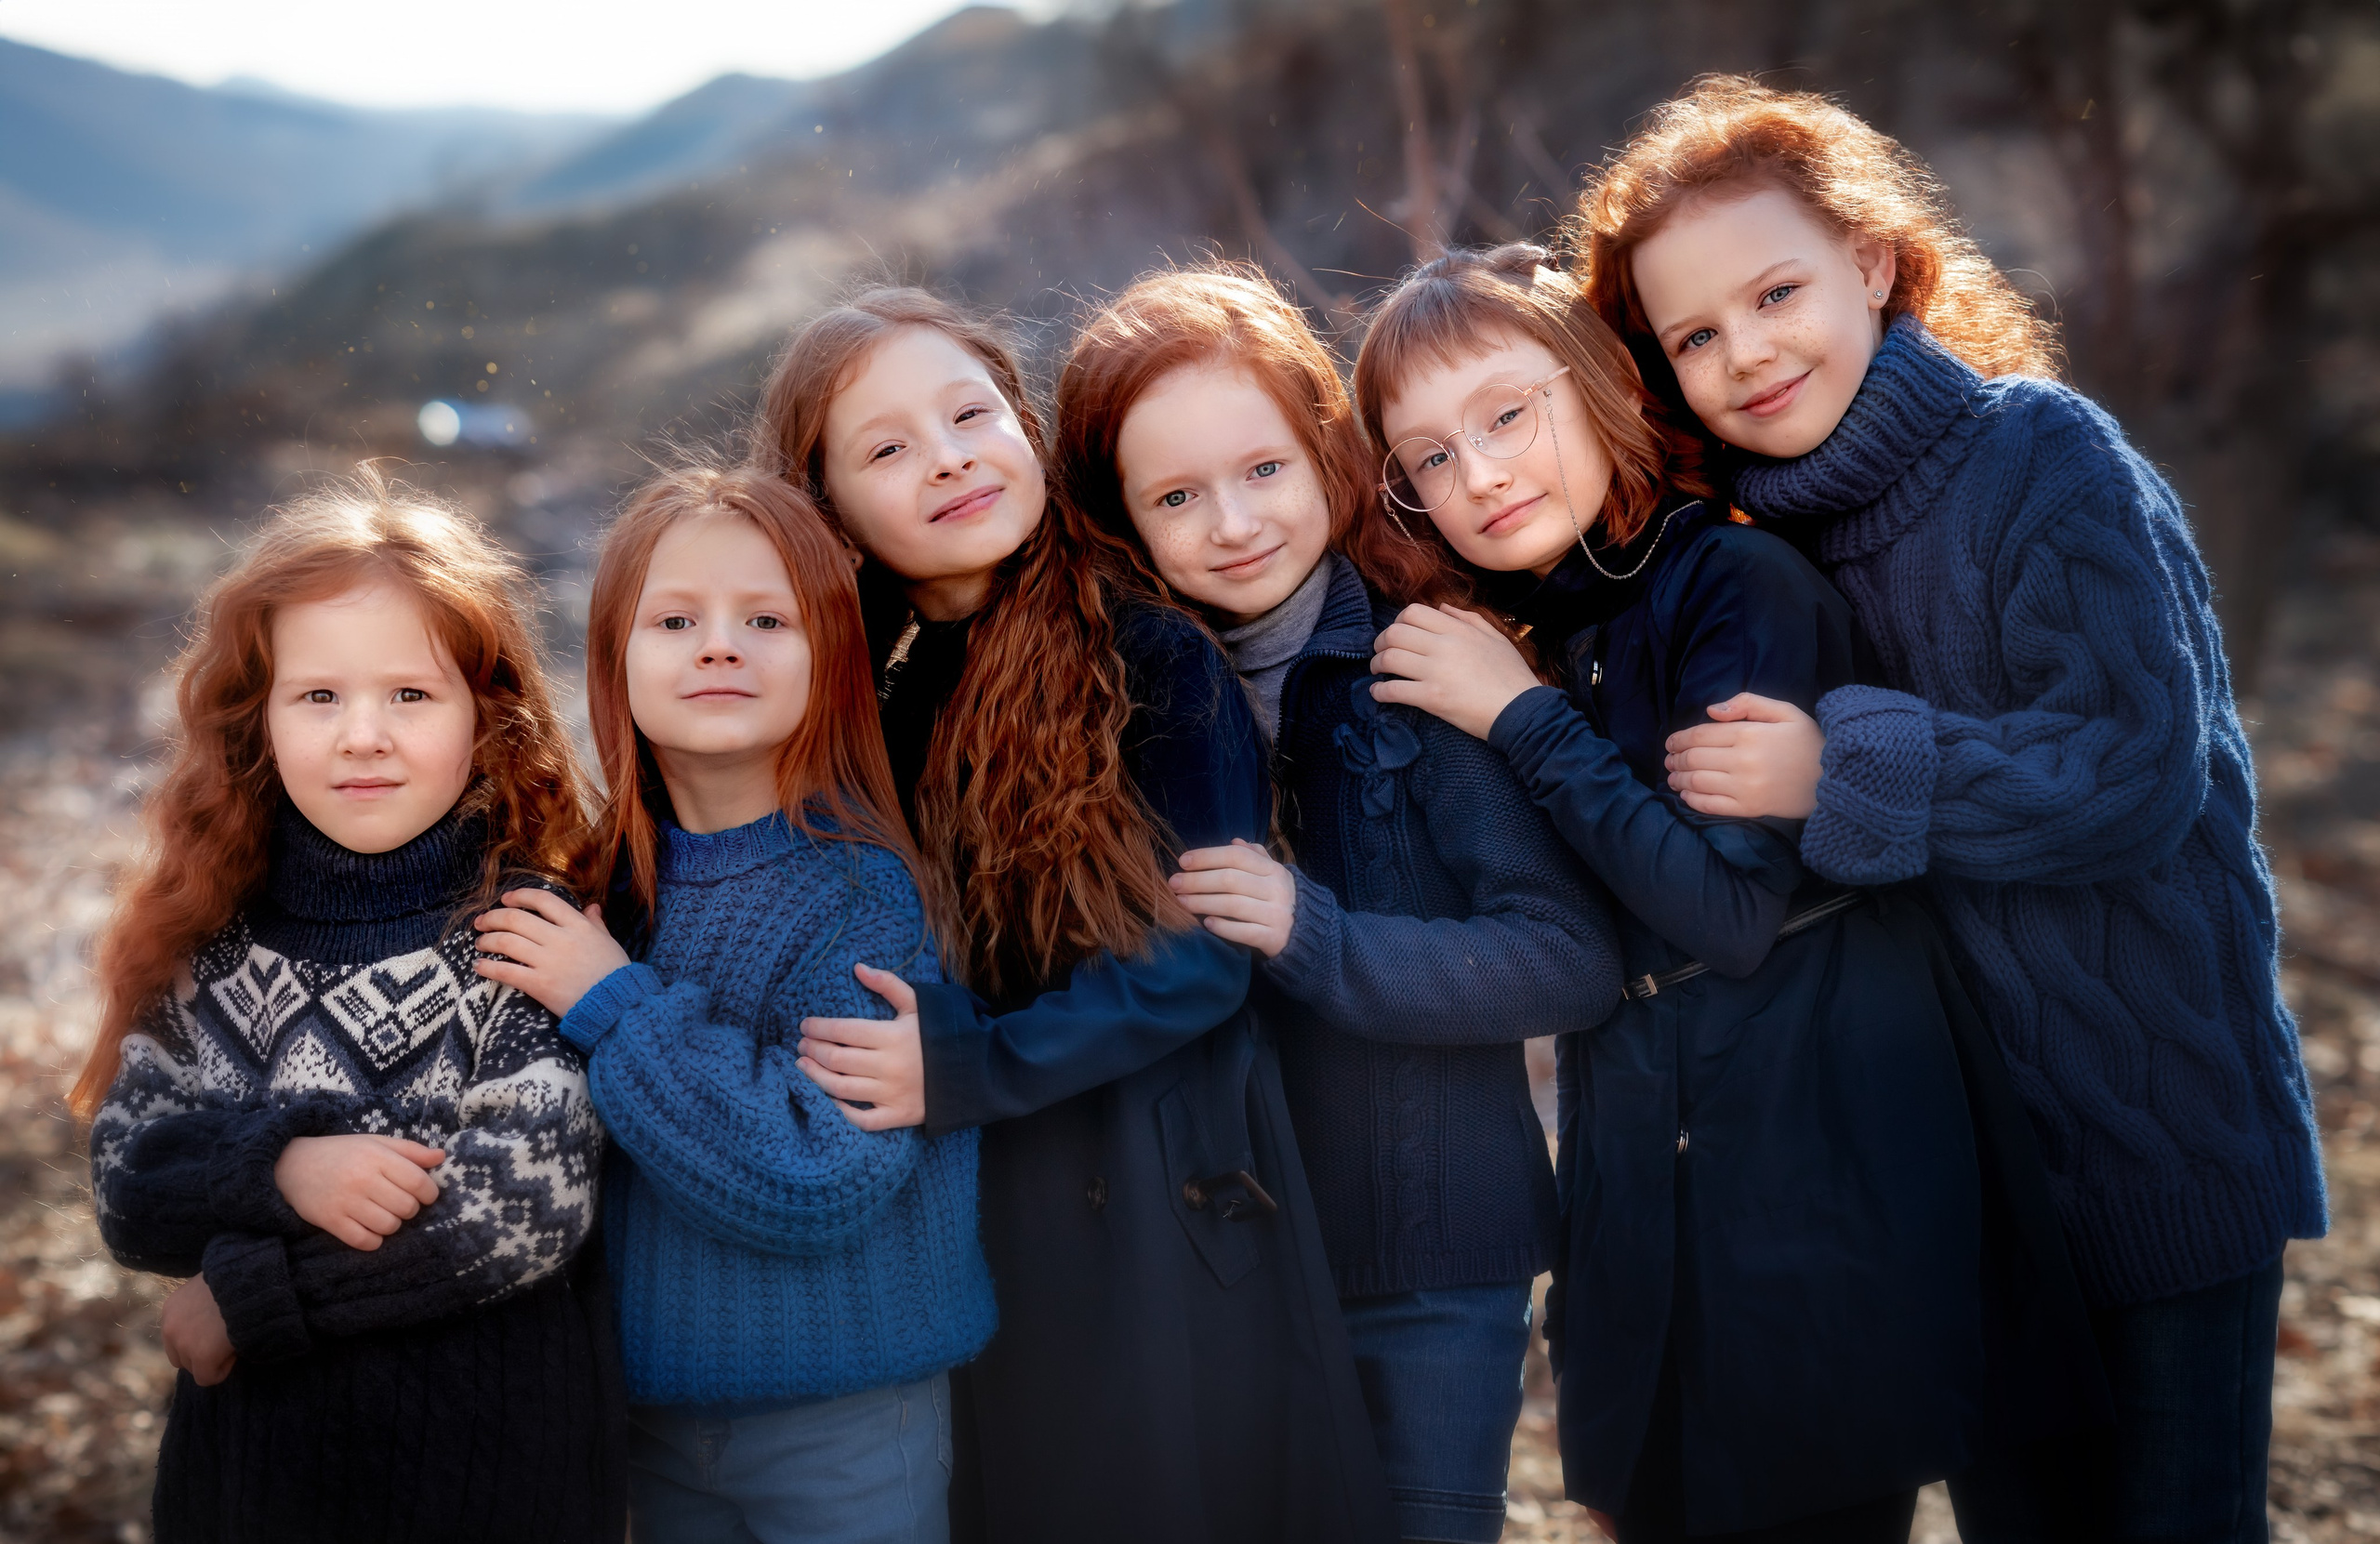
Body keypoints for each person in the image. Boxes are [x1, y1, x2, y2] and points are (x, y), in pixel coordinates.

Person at [1582, 76, 2326, 1544]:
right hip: (1958, 1187)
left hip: (2150, 1132)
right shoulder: (1748, 552)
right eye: (1696, 336)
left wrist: (1837, 770)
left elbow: (2130, 765)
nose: (1748, 352)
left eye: (1777, 290)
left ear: (1872, 259)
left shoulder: (2040, 457)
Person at [1352, 244, 2058, 1543]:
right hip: (1646, 1185)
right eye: (1431, 457)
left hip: (1810, 1182)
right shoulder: (1557, 623)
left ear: (1602, 384)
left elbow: (1731, 913)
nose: (1482, 473)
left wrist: (1522, 722)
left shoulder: (1735, 582)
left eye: (1509, 412)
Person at [752, 287, 1393, 1544]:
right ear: (828, 509)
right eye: (886, 448)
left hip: (1160, 1181)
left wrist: (970, 1064)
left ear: (1025, 426)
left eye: (969, 412)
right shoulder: (864, 693)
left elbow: (1201, 963)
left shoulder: (1146, 652)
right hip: (983, 1192)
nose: (946, 458)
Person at [1051, 262, 1622, 1544]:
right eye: (1178, 496)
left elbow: (1566, 957)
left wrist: (1314, 933)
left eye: (1263, 470)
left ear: (1328, 454)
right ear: (1119, 520)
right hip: (1224, 1263)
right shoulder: (1118, 710)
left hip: (1428, 1265)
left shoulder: (1424, 669)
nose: (1235, 521)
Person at [78, 471, 619, 1544]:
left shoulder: (524, 932)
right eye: (318, 696)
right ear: (259, 719)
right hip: (249, 1482)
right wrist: (278, 1163)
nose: (362, 735)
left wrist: (252, 1294)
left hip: (488, 1481)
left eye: (410, 696)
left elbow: (518, 1207)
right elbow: (127, 1178)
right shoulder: (212, 940)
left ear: (486, 715)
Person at [469, 465, 992, 1544]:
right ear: (615, 657)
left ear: (833, 659)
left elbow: (820, 1177)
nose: (719, 644)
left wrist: (614, 1003)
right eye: (675, 618)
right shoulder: (600, 886)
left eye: (765, 618)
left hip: (844, 1421)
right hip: (647, 1419)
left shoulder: (857, 892)